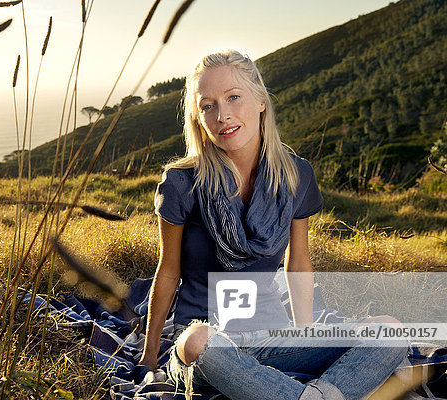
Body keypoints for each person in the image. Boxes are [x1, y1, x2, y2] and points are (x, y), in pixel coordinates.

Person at [138, 50, 408, 400]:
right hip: (207, 346)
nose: (223, 115)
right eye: (208, 105)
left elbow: (297, 264)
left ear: (261, 100)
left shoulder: (297, 175)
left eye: (234, 97)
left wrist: (306, 335)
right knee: (201, 339)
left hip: (272, 339)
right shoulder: (180, 181)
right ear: (198, 117)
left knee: (390, 331)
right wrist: (148, 356)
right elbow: (168, 270)